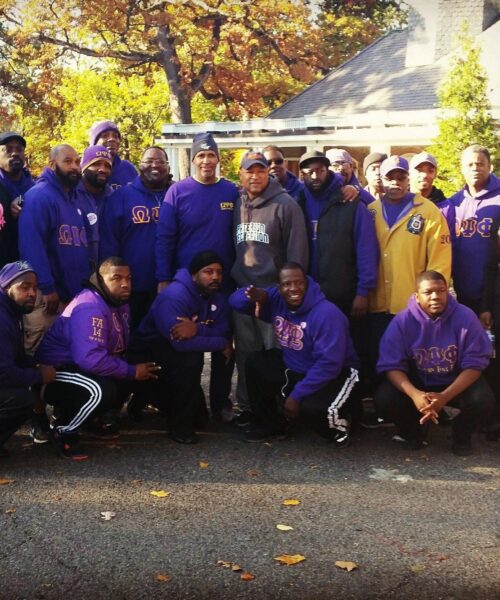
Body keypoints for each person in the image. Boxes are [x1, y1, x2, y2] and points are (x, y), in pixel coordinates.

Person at [35, 257, 159, 460]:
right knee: (101, 389)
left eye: (129, 278)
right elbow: (89, 359)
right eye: (116, 278)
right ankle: (63, 429)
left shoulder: (120, 303)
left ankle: (87, 420)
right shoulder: (89, 306)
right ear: (101, 280)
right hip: (55, 374)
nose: (125, 284)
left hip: (83, 369)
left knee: (132, 373)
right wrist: (131, 370)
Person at [155, 133, 237, 421]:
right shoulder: (177, 192)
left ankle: (220, 402)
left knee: (222, 341)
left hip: (222, 284)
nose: (206, 160)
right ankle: (187, 403)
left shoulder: (231, 192)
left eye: (211, 155)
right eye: (200, 156)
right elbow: (165, 238)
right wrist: (163, 278)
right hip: (188, 287)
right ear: (192, 159)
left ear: (218, 159)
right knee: (186, 340)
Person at [230, 262, 360, 445]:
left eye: (299, 283)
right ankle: (272, 425)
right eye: (287, 284)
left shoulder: (326, 314)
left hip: (338, 375)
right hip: (296, 367)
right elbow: (234, 302)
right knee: (256, 362)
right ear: (279, 286)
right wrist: (259, 296)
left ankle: (343, 424)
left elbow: (329, 364)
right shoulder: (276, 299)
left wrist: (296, 396)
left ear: (306, 283)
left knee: (313, 409)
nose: (293, 289)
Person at [375, 270, 495, 455]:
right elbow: (391, 365)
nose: (435, 297)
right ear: (417, 296)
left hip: (453, 380)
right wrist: (415, 395)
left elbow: (475, 364)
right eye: (428, 292)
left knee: (483, 400)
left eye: (441, 291)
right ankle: (412, 432)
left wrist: (445, 397)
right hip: (419, 381)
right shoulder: (402, 321)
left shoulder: (465, 317)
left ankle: (461, 434)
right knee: (384, 399)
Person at [231, 151, 308, 426]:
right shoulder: (237, 203)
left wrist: (286, 296)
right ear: (240, 174)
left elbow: (297, 256)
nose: (255, 176)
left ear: (268, 173)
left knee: (274, 354)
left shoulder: (286, 205)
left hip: (273, 295)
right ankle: (249, 407)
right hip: (243, 292)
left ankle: (278, 409)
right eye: (249, 171)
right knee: (246, 354)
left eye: (260, 170)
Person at [130, 251, 232, 444]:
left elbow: (223, 328)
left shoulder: (216, 298)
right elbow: (181, 343)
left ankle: (148, 396)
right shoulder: (175, 296)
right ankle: (178, 426)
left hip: (176, 356)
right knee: (190, 359)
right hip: (148, 352)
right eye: (208, 272)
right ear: (194, 274)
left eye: (219, 272)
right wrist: (220, 343)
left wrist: (198, 328)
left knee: (201, 420)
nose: (215, 277)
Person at [18, 144, 93, 352]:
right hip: (46, 297)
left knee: (61, 357)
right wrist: (47, 287)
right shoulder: (40, 196)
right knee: (37, 354)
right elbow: (31, 245)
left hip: (71, 295)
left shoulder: (75, 199)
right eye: (67, 161)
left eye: (77, 162)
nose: (75, 167)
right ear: (52, 165)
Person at [297, 150, 379, 315]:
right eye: (310, 172)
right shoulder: (297, 203)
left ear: (328, 171)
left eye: (320, 170)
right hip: (306, 295)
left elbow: (367, 250)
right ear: (302, 175)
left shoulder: (350, 202)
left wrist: (363, 292)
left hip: (343, 296)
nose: (315, 176)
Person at [101, 146, 173, 330]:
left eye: (160, 161)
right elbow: (109, 242)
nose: (154, 165)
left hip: (171, 283)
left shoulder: (176, 195)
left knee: (167, 337)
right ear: (139, 166)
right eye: (149, 161)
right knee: (133, 339)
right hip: (133, 285)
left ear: (168, 166)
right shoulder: (122, 197)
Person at [0, 261, 56, 457]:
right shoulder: (2, 318)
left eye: (34, 287)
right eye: (25, 287)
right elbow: (3, 373)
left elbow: (14, 356)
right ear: (7, 286)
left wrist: (35, 365)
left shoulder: (11, 310)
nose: (32, 293)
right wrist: (39, 375)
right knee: (22, 399)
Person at [75, 145, 114, 268]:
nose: (102, 169)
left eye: (107, 165)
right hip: (74, 269)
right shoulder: (70, 193)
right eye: (96, 164)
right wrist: (20, 201)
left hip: (104, 271)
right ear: (84, 167)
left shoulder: (113, 197)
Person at [0, 132, 35, 266]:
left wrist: (24, 199)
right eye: (8, 149)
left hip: (29, 264)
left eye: (19, 149)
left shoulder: (35, 189)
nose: (15, 153)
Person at [409, 151, 455, 236]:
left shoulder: (445, 207)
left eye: (430, 171)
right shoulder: (400, 203)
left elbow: (450, 242)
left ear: (435, 174)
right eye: (419, 170)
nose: (425, 175)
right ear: (409, 173)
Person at [88, 120, 137, 189]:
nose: (112, 139)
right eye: (105, 136)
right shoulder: (84, 170)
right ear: (94, 143)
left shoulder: (128, 168)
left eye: (115, 136)